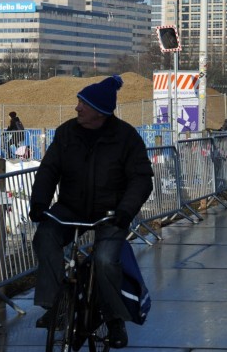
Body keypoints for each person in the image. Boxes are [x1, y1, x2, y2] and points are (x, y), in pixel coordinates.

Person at [29, 75, 153, 349]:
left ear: (100, 112)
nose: (77, 108)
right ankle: (56, 304)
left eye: (82, 104)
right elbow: (49, 170)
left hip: (111, 213)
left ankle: (114, 320)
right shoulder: (66, 133)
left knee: (106, 261)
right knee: (45, 237)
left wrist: (125, 211)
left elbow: (142, 179)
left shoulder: (126, 138)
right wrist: (39, 203)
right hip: (71, 208)